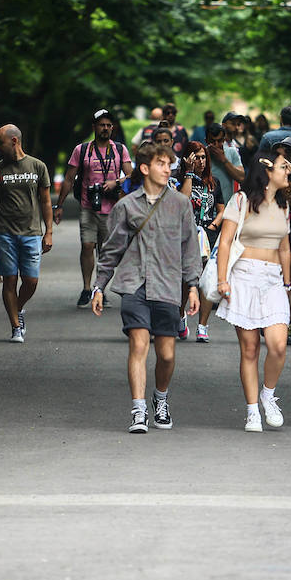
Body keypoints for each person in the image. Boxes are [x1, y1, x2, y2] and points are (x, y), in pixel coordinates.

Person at [91, 142, 201, 434]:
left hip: (168, 285)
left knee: (166, 355)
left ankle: (160, 399)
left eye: (170, 164)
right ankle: (138, 410)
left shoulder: (180, 203)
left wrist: (192, 286)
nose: (168, 169)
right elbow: (111, 250)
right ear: (144, 168)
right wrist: (99, 286)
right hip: (134, 284)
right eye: (162, 164)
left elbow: (190, 247)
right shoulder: (126, 205)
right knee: (138, 345)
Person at [216, 148, 291, 432]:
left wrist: (286, 282)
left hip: (273, 279)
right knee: (249, 349)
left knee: (278, 345)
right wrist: (222, 280)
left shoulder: (285, 205)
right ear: (267, 171)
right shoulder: (240, 200)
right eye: (283, 167)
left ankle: (268, 394)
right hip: (244, 277)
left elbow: (285, 246)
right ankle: (252, 411)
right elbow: (224, 243)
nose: (288, 172)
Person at [55, 109, 132, 308]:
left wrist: (115, 182)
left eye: (108, 125)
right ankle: (87, 288)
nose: (105, 128)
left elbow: (132, 176)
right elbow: (70, 178)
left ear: (112, 128)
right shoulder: (82, 150)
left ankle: (100, 289)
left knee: (106, 251)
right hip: (88, 207)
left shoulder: (119, 149)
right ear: (94, 127)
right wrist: (60, 205)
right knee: (88, 245)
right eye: (101, 125)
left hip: (112, 209)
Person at [0, 125, 52, 342]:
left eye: (0, 143)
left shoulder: (37, 166)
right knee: (9, 280)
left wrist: (49, 231)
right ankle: (15, 326)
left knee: (31, 281)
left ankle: (18, 308)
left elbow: (46, 201)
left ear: (14, 141)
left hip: (31, 232)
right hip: (4, 232)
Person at [178, 142, 225, 342]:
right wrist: (188, 174)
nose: (200, 161)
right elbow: (182, 200)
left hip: (208, 234)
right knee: (185, 280)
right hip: (186, 234)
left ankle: (202, 325)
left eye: (203, 157)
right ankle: (180, 316)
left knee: (206, 282)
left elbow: (223, 209)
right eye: (195, 157)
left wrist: (214, 224)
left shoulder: (213, 182)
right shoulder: (178, 179)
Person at [206, 112, 246, 198]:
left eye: (238, 124)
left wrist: (224, 160)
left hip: (230, 199)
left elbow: (241, 177)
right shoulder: (204, 152)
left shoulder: (234, 147)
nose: (236, 127)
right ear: (223, 125)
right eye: (233, 123)